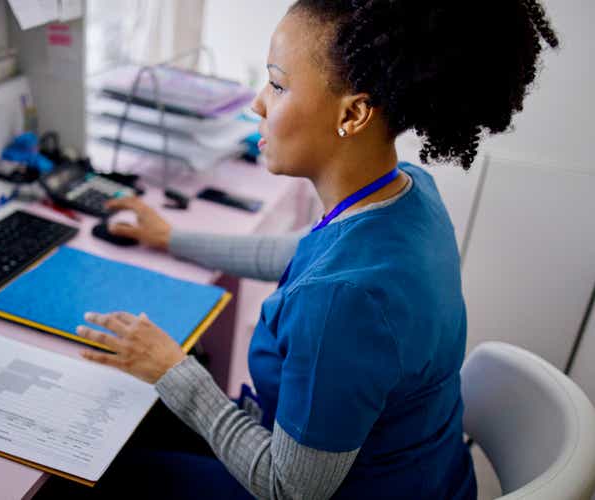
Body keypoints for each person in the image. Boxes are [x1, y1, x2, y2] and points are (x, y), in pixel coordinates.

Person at [74, 1, 559, 498]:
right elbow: (303, 252)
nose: (257, 104)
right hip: (430, 478)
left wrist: (174, 370)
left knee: (96, 469)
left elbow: (288, 489)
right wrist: (172, 239)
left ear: (352, 113)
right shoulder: (409, 194)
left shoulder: (341, 302)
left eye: (278, 85)